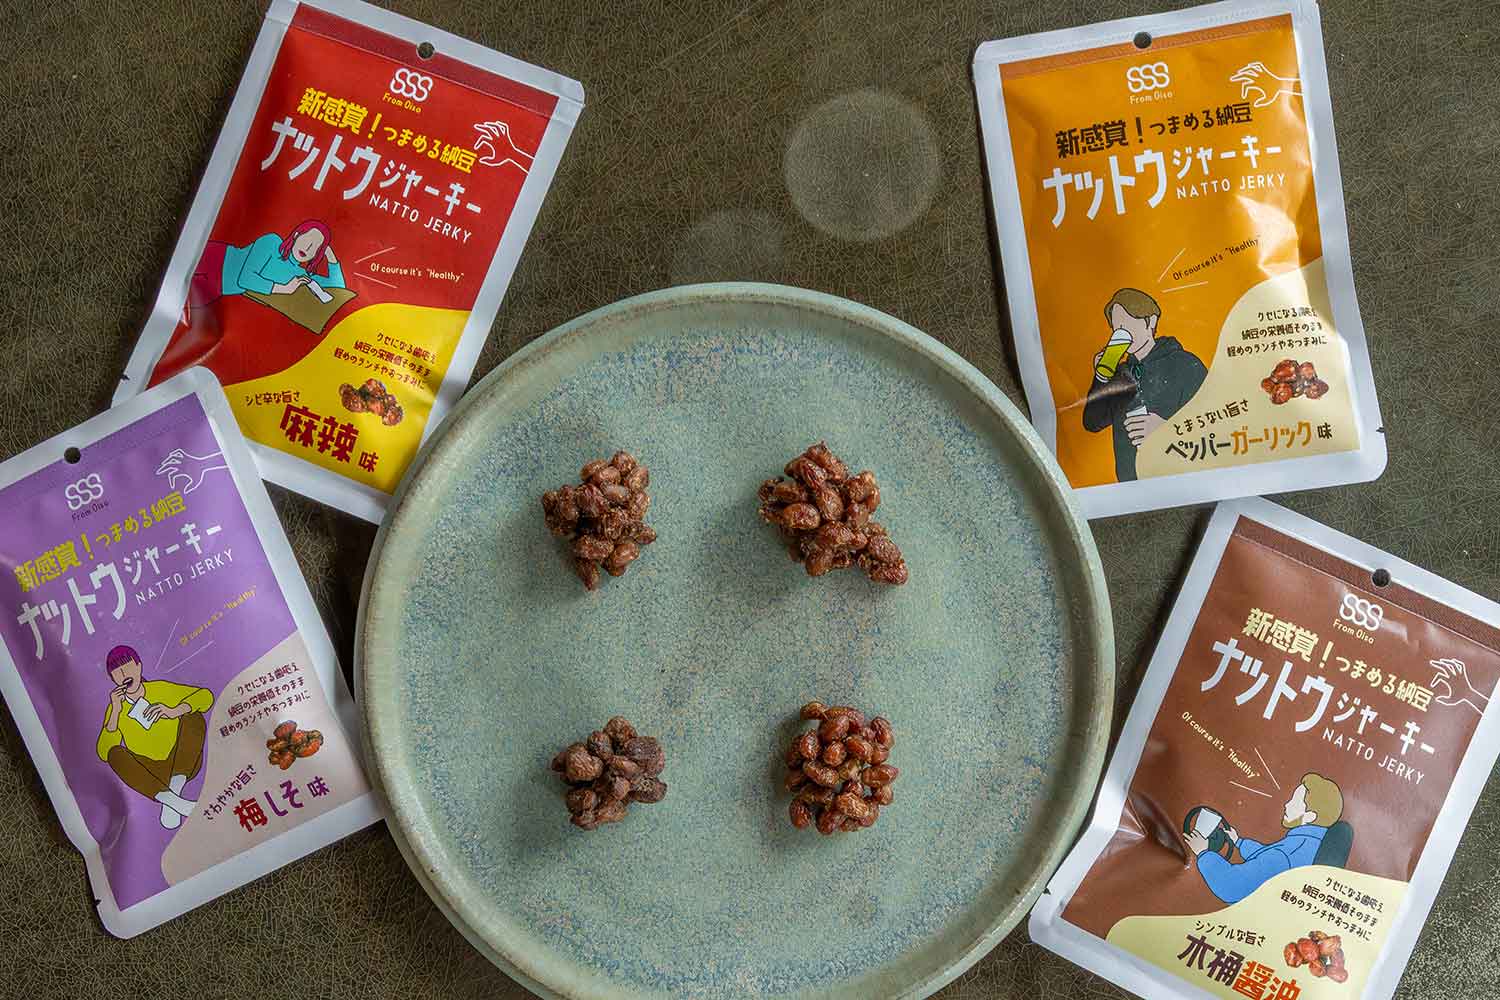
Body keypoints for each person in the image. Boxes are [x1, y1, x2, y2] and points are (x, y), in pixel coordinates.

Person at [1082, 288, 1208, 482]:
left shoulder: (1185, 364)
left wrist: (1166, 429)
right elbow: (1092, 423)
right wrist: (1101, 377)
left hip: (1180, 481)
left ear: (1151, 321)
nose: (1121, 333)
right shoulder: (1121, 374)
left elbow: (1213, 422)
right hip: (1131, 485)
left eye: (1127, 324)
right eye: (1117, 328)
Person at [95, 645, 214, 830]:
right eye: (117, 672)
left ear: (139, 667)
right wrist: (116, 711)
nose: (124, 673)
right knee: (115, 754)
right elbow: (104, 752)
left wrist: (174, 711)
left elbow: (205, 697)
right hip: (149, 773)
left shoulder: (159, 689)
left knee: (194, 717)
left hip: (181, 762)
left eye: (127, 666)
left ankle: (175, 786)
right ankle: (171, 799)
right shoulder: (116, 708)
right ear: (113, 680)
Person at [1184, 773, 1344, 904]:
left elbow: (1232, 885)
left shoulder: (1286, 855)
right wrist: (1239, 842)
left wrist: (1204, 853)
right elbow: (1267, 858)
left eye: (1294, 802)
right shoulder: (1310, 843)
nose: (1286, 805)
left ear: (1309, 816)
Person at [188, 219, 344, 309]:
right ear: (297, 235)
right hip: (215, 258)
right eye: (307, 240)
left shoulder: (299, 275)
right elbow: (245, 279)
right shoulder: (272, 241)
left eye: (315, 248)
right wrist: (284, 289)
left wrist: (329, 255)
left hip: (218, 288)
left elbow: (338, 288)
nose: (308, 248)